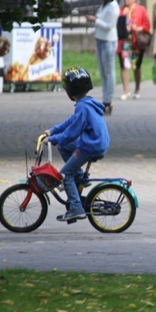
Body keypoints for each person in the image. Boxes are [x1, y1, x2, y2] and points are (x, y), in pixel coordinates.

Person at [43, 67, 110, 222]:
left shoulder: (82, 107)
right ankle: (78, 177)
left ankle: (76, 208)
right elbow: (72, 121)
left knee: (65, 175)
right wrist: (53, 131)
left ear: (70, 90)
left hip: (90, 146)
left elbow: (71, 133)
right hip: (96, 143)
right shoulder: (87, 103)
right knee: (64, 146)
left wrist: (53, 139)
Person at [86, 0, 119, 115]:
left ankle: (108, 100)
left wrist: (95, 20)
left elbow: (109, 25)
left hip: (108, 41)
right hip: (100, 40)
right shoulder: (105, 5)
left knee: (109, 72)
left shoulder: (113, 7)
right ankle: (105, 98)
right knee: (103, 72)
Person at [116, 0, 151, 100]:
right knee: (124, 66)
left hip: (136, 42)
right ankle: (126, 91)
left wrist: (139, 28)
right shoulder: (122, 10)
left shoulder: (141, 9)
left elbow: (147, 25)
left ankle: (137, 89)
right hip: (124, 42)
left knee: (136, 66)